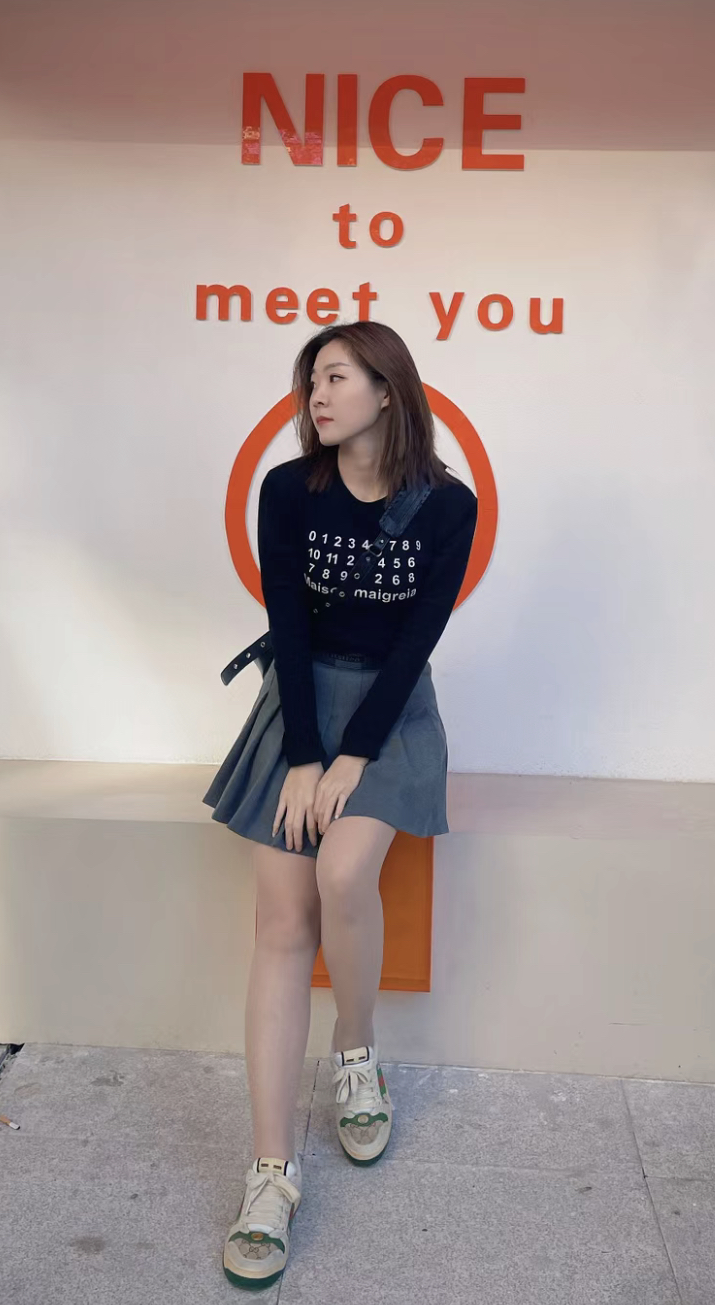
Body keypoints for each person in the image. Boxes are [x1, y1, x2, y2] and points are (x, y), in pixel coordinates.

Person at [203, 319, 479, 1289]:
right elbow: (286, 617)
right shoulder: (289, 490)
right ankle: (271, 1173)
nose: (316, 397)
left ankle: (355, 1048)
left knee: (344, 866)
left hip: (390, 712)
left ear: (387, 390)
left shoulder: (447, 506)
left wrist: (353, 754)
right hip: (300, 704)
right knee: (282, 919)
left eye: (335, 377)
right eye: (311, 381)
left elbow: (417, 640)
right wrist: (303, 755)